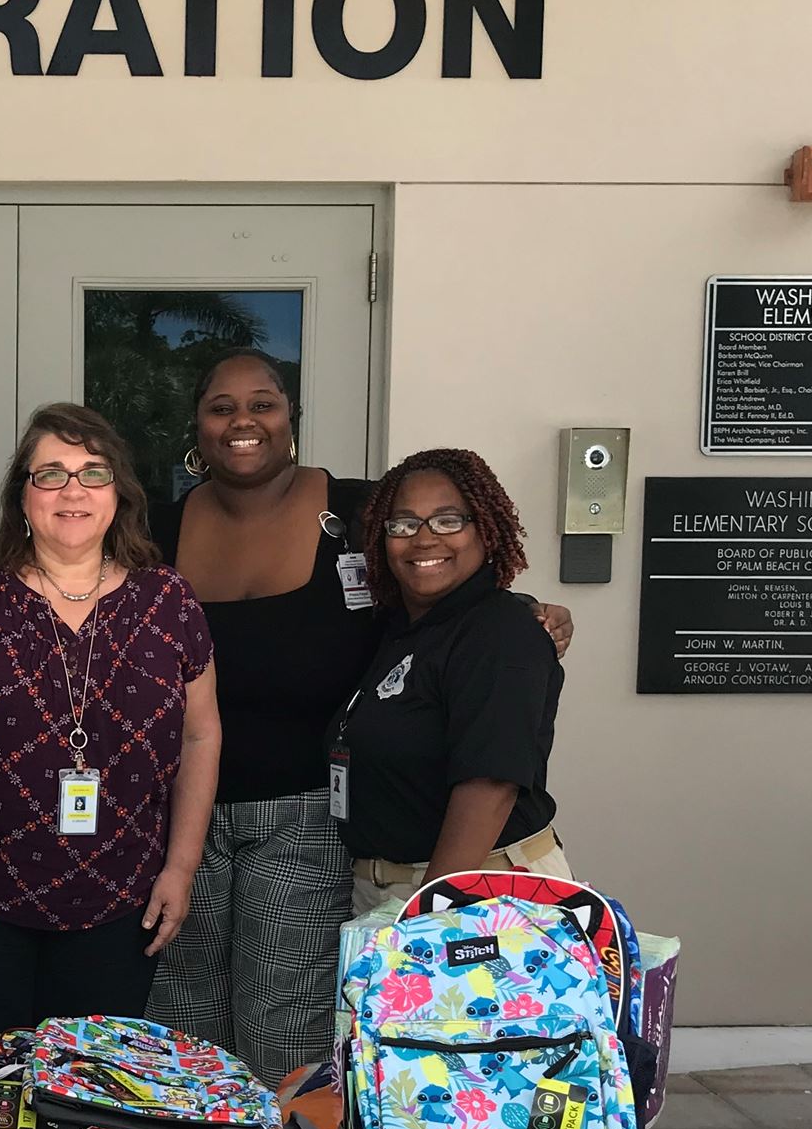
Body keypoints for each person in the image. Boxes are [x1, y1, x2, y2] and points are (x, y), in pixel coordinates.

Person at [145, 353, 573, 1083]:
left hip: (310, 814)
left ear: (292, 416)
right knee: (181, 1015)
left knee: (289, 1019)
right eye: (221, 406)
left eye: (264, 403)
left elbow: (442, 594)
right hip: (179, 816)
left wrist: (528, 614)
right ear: (197, 423)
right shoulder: (156, 527)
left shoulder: (360, 512)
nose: (243, 421)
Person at [0, 404, 219, 1069]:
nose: (73, 490)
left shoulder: (169, 600)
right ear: (22, 495)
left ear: (120, 493)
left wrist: (181, 869)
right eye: (51, 474)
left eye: (92, 473)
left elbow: (200, 738)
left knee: (93, 1110)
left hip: (121, 904)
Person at [335, 446, 570, 914]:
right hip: (390, 890)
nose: (423, 539)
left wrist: (427, 918)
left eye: (447, 521)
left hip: (476, 894)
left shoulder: (501, 633)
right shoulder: (403, 630)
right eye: (403, 524)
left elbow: (489, 786)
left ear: (485, 529)